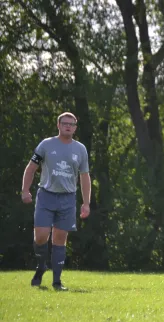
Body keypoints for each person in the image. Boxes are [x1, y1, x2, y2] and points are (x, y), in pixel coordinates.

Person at [21, 112, 91, 291]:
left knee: (60, 240)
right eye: (65, 123)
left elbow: (84, 176)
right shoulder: (46, 145)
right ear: (58, 125)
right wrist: (25, 190)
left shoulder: (80, 149)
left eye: (72, 124)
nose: (68, 126)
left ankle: (57, 282)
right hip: (46, 196)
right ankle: (41, 265)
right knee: (41, 236)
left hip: (67, 198)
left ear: (75, 128)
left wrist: (86, 202)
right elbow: (31, 168)